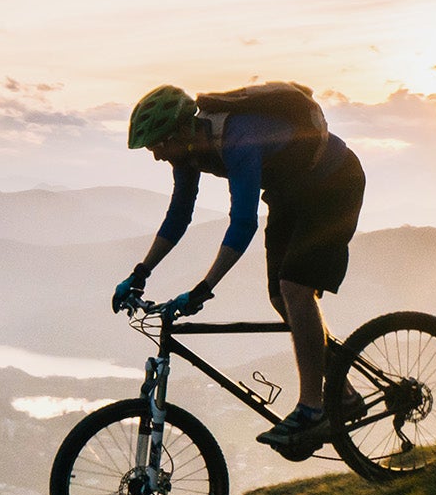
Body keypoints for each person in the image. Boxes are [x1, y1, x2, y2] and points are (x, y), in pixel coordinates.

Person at [111, 82, 367, 457]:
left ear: (179, 133)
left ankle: (312, 408)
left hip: (334, 184)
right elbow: (179, 216)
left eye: (157, 146)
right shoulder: (187, 154)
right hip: (290, 193)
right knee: (281, 297)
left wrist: (204, 287)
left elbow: (243, 222)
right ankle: (344, 395)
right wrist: (140, 272)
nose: (156, 156)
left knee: (295, 288)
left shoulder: (238, 138)